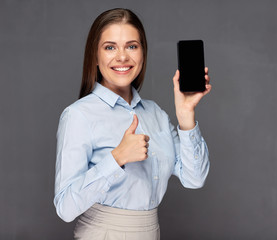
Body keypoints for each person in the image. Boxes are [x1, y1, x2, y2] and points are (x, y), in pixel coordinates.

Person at [54, 8, 211, 240]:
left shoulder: (155, 113)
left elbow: (194, 179)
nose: (122, 57)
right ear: (95, 57)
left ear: (143, 53)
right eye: (110, 47)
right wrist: (117, 158)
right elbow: (65, 207)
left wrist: (186, 115)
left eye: (131, 46)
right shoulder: (79, 115)